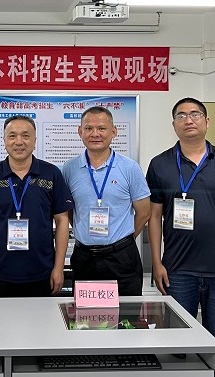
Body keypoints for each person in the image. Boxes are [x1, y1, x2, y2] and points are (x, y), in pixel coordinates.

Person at [146, 97, 215, 377]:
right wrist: (156, 262)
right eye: (181, 116)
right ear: (174, 125)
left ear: (207, 121)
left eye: (195, 114)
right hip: (178, 269)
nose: (188, 120)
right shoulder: (160, 164)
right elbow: (154, 217)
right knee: (177, 343)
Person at [0, 115, 71, 298]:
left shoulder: (51, 174)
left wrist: (59, 267)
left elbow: (62, 220)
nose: (19, 142)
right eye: (12, 136)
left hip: (43, 273)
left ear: (35, 141)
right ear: (4, 140)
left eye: (25, 136)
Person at [61, 106, 151, 296]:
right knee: (85, 313)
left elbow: (144, 212)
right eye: (88, 128)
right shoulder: (69, 169)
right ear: (80, 132)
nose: (95, 134)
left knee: (126, 312)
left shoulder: (130, 168)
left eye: (101, 128)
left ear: (113, 132)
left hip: (122, 257)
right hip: (84, 257)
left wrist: (123, 239)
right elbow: (68, 210)